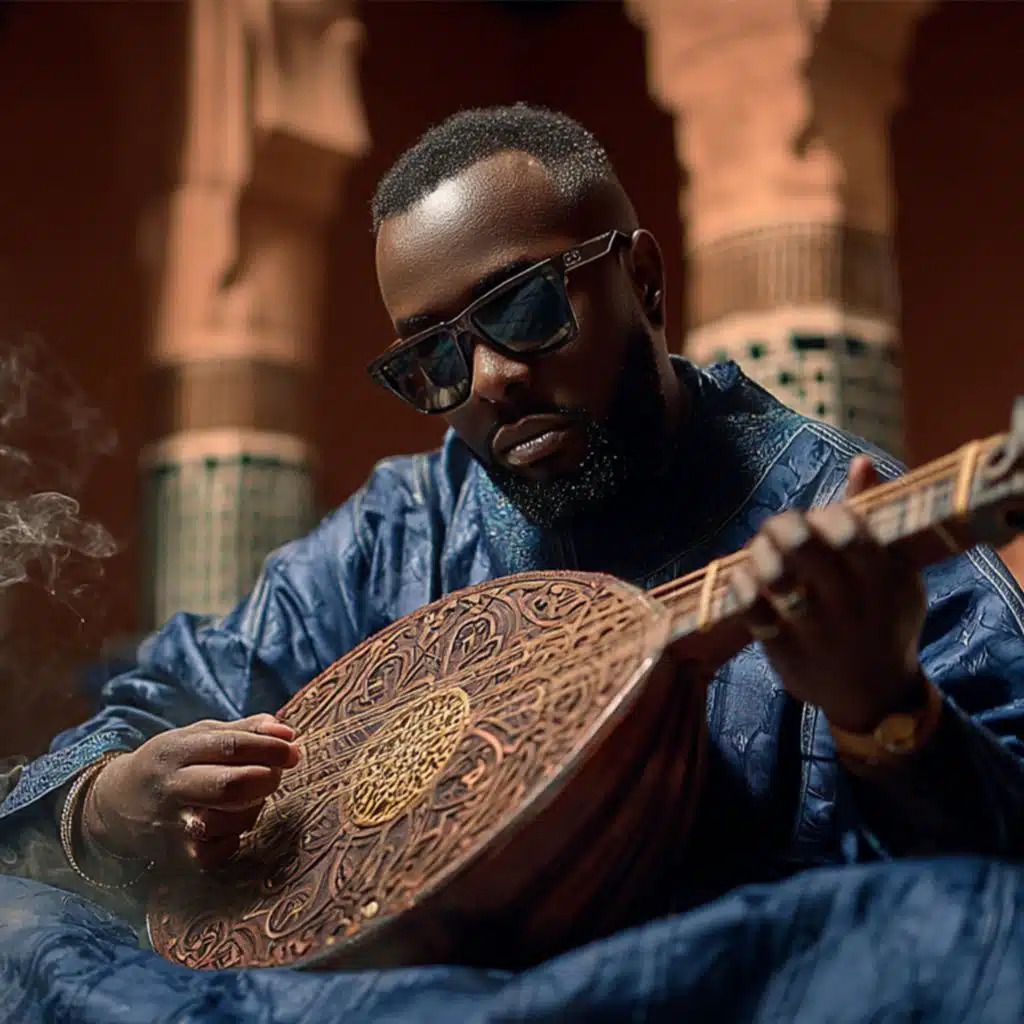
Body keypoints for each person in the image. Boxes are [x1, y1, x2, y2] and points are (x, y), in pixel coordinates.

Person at [1, 104, 1024, 1022]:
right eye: (433, 358)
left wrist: (885, 712)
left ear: (644, 279)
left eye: (527, 308)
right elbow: (160, 699)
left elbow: (988, 887)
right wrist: (109, 802)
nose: (490, 377)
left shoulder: (841, 517)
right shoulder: (403, 527)